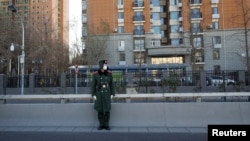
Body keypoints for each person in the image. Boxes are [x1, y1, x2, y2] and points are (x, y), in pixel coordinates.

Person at [91, 60, 115, 130]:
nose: (104, 68)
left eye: (105, 66)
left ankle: (106, 125)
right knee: (100, 110)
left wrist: (112, 94)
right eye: (103, 67)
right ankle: (101, 124)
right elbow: (93, 85)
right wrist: (94, 94)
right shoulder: (96, 74)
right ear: (100, 66)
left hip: (107, 94)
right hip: (99, 94)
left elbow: (112, 85)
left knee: (107, 110)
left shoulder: (109, 74)